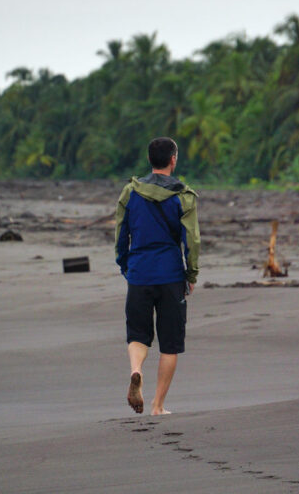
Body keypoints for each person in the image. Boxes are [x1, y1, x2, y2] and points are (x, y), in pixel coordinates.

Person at [114, 137, 200, 415]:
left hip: (139, 273)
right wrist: (191, 273)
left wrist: (125, 264)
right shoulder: (183, 196)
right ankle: (157, 405)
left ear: (150, 160)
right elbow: (192, 240)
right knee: (170, 344)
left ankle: (136, 370)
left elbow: (120, 233)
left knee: (138, 335)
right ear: (173, 159)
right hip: (170, 275)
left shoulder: (130, 192)